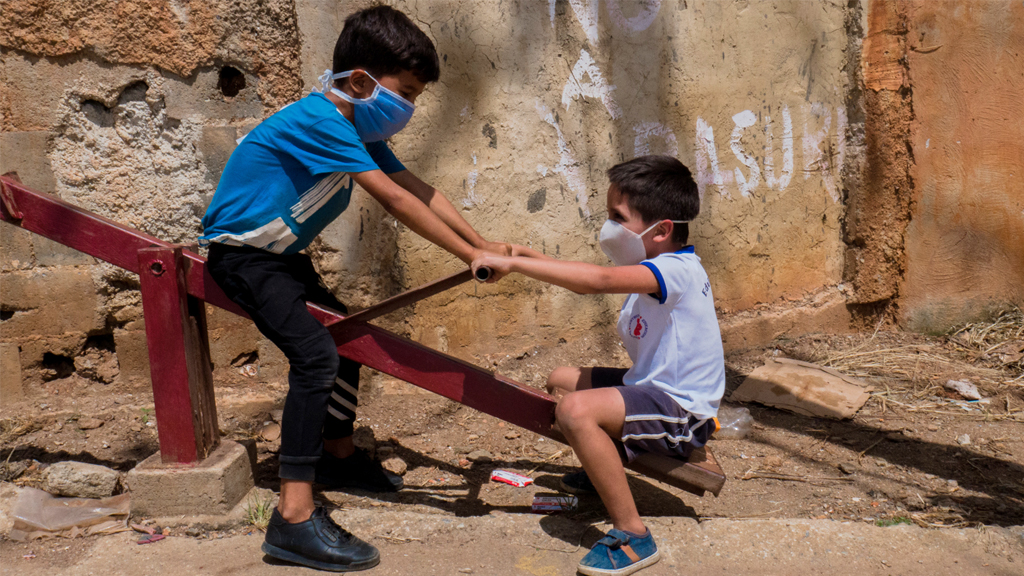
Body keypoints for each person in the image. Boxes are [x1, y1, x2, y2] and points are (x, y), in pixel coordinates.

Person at [200, 6, 514, 572]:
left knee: (344, 335)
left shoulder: (352, 128)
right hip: (243, 260)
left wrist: (482, 244)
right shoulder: (320, 119)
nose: (411, 108)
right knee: (316, 357)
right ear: (363, 81)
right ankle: (292, 519)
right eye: (407, 91)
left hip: (281, 259)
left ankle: (338, 455)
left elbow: (417, 188)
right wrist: (470, 257)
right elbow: (394, 201)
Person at [472, 155, 725, 576]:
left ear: (661, 230)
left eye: (617, 217)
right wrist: (520, 253)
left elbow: (596, 281)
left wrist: (516, 264)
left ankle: (633, 535)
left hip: (682, 410)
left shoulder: (675, 270)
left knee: (575, 410)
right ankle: (602, 467)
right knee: (562, 382)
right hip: (651, 387)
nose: (608, 226)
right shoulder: (656, 266)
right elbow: (591, 274)